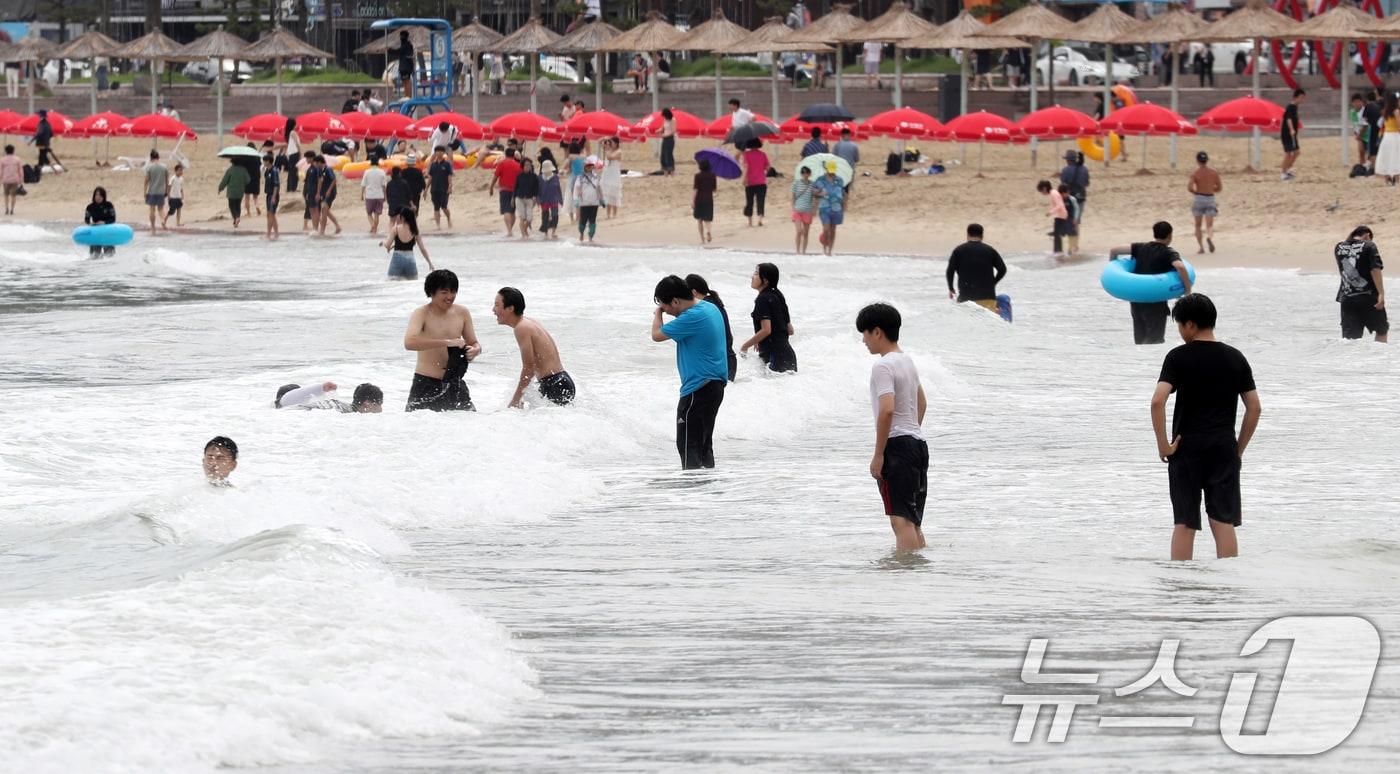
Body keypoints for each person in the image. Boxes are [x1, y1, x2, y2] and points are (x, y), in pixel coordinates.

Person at [1150, 293, 1261, 561]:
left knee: (1185, 522)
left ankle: (1182, 588)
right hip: (1223, 447)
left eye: (1179, 326)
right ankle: (1227, 587)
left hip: (1186, 447)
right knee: (1222, 521)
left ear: (1190, 324)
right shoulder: (1236, 357)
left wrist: (1164, 445)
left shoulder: (1178, 357)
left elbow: (1157, 401)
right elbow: (1254, 407)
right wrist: (1238, 449)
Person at [856, 302, 928, 552]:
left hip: (897, 446)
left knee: (900, 521)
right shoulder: (907, 361)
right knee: (912, 520)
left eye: (864, 334)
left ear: (877, 332)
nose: (864, 341)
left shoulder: (883, 365)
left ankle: (904, 581)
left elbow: (887, 410)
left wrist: (879, 454)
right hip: (917, 444)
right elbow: (921, 402)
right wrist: (911, 433)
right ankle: (919, 571)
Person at [650, 275, 729, 469]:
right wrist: (663, 308)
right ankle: (706, 490)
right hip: (715, 385)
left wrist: (657, 315)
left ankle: (691, 494)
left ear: (676, 301)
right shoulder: (710, 308)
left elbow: (656, 335)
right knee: (704, 445)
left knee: (687, 445)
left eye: (665, 306)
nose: (666, 311)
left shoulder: (691, 317)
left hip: (698, 388)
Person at [404, 269, 480, 412]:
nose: (450, 297)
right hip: (426, 382)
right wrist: (447, 342)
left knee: (470, 427)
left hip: (455, 382)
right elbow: (409, 342)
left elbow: (473, 342)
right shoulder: (421, 313)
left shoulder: (462, 312)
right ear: (432, 292)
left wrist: (475, 350)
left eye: (453, 292)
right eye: (444, 292)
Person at [1109, 221, 1193, 345]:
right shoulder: (1168, 252)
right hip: (1155, 303)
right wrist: (1188, 289)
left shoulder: (1140, 247)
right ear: (1170, 236)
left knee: (1140, 340)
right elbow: (1180, 266)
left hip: (1137, 301)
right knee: (1155, 341)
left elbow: (1114, 250)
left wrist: (1111, 270)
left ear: (1154, 234)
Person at [493, 287, 576, 408]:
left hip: (555, 384)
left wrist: (515, 400)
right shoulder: (528, 322)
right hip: (560, 381)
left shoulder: (521, 328)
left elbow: (528, 368)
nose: (493, 310)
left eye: (496, 305)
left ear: (510, 308)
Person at [740, 262, 797, 373]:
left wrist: (745, 346)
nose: (752, 276)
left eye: (756, 274)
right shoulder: (778, 296)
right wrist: (759, 339)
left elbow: (766, 330)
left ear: (765, 280)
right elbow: (790, 330)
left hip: (774, 356)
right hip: (788, 355)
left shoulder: (763, 299)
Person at [1334, 225, 1387, 342]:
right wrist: (1381, 294)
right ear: (1367, 235)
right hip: (1368, 297)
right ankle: (1380, 359)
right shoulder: (1369, 245)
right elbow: (1375, 269)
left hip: (1347, 299)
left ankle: (1354, 361)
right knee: (1381, 330)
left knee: (1350, 340)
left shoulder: (1339, 247)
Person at [686, 274, 737, 382]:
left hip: (721, 361)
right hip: (727, 359)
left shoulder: (705, 307)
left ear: (694, 292)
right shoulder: (712, 302)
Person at [946, 223, 1008, 311]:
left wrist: (951, 288)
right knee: (988, 322)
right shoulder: (989, 250)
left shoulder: (959, 250)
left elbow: (950, 270)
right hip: (987, 297)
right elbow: (1002, 269)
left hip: (966, 299)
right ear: (982, 235)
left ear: (967, 235)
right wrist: (993, 282)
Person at [383, 206, 434, 280]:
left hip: (397, 260)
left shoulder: (396, 229)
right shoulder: (415, 231)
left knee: (391, 283)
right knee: (411, 285)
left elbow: (387, 245)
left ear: (403, 217)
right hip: (410, 261)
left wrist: (383, 242)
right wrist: (430, 263)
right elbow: (423, 249)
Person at [1188, 151, 1221, 254]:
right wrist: (1211, 190)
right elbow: (1219, 188)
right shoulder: (1214, 173)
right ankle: (1209, 237)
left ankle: (1201, 248)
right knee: (1209, 225)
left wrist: (1196, 192)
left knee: (1198, 225)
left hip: (1199, 198)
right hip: (1210, 198)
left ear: (1198, 161)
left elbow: (1189, 187)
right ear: (1207, 160)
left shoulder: (1195, 174)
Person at [275, 382, 384, 413]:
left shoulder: (341, 406)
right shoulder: (346, 410)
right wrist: (321, 387)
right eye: (380, 404)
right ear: (368, 403)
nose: (381, 409)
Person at [813, 160, 846, 255]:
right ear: (826, 169)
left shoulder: (839, 180)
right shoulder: (820, 180)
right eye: (830, 170)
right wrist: (820, 192)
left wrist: (844, 206)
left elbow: (842, 194)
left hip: (837, 208)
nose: (832, 172)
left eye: (833, 170)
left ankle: (830, 250)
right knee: (826, 229)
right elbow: (813, 193)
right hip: (824, 208)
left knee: (833, 229)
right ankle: (824, 248)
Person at [490, 147, 522, 236]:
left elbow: (495, 177)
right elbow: (520, 179)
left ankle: (509, 231)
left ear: (506, 154)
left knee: (506, 211)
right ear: (513, 155)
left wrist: (491, 187)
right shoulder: (518, 165)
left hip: (504, 190)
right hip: (515, 191)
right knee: (512, 211)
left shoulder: (501, 164)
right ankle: (510, 230)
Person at [572, 156, 604, 242]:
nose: (589, 167)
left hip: (594, 202)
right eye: (588, 166)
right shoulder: (580, 178)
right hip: (584, 202)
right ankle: (581, 233)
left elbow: (599, 188)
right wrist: (576, 200)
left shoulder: (597, 177)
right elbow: (576, 189)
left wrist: (602, 199)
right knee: (583, 221)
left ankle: (590, 237)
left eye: (591, 166)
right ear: (584, 167)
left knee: (592, 221)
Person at [1373, 91, 1400, 186]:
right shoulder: (1396, 111)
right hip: (1395, 136)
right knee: (1396, 157)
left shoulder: (1385, 111)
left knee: (1387, 157)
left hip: (1386, 136)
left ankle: (1387, 179)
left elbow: (1381, 124)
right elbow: (1399, 125)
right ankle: (1396, 179)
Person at [1036, 179, 1068, 256]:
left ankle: (1058, 251)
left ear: (1044, 188)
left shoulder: (1053, 193)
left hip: (1061, 215)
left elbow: (1059, 205)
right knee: (1057, 233)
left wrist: (1050, 212)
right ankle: (1057, 251)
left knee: (1057, 234)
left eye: (1041, 191)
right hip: (1060, 215)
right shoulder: (1053, 193)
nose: (1042, 193)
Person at [741, 139, 768, 227]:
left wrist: (744, 179)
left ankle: (750, 222)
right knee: (761, 201)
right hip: (761, 182)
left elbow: (746, 167)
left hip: (750, 182)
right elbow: (767, 167)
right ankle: (760, 219)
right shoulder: (763, 154)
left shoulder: (746, 155)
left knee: (749, 202)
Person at [217, 157, 251, 228]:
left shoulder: (230, 170)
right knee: (238, 205)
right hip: (240, 191)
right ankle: (237, 217)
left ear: (232, 162)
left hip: (231, 192)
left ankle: (235, 218)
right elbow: (248, 180)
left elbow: (225, 180)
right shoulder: (243, 170)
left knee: (231, 205)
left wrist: (220, 188)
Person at [83, 187, 116, 257]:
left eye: (100, 195)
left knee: (110, 256)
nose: (98, 197)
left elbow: (113, 219)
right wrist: (90, 223)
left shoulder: (109, 205)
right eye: (96, 195)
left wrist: (104, 222)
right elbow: (86, 219)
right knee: (94, 256)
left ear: (103, 196)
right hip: (96, 232)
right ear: (94, 196)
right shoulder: (90, 207)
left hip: (107, 231)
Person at [790, 165, 816, 253]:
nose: (805, 174)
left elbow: (814, 197)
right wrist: (793, 207)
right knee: (799, 231)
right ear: (801, 174)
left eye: (807, 173)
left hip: (808, 210)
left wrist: (814, 209)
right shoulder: (796, 183)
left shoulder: (812, 184)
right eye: (803, 173)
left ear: (809, 174)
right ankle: (797, 251)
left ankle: (803, 251)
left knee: (806, 232)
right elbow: (792, 196)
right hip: (797, 210)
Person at [1280, 88, 1305, 182]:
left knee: (1296, 152)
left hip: (1292, 134)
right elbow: (1288, 119)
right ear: (1295, 97)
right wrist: (1291, 129)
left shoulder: (1295, 107)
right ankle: (1283, 173)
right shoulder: (1290, 107)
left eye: (1303, 98)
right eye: (1301, 98)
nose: (1302, 100)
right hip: (1287, 134)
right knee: (1289, 153)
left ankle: (1287, 170)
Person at [427, 146, 454, 229]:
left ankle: (448, 218)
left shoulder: (447, 164)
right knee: (436, 207)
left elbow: (449, 176)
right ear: (435, 153)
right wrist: (426, 188)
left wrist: (450, 187)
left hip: (444, 189)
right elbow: (430, 177)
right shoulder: (433, 165)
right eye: (437, 151)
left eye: (441, 151)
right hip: (434, 189)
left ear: (443, 153)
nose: (439, 153)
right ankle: (438, 226)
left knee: (444, 207)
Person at [313, 155, 341, 236]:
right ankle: (338, 227)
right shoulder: (319, 170)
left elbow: (334, 180)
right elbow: (320, 182)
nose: (315, 165)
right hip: (323, 193)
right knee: (326, 211)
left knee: (324, 210)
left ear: (319, 162)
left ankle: (322, 231)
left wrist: (329, 190)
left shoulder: (328, 169)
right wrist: (318, 193)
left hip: (330, 193)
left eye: (316, 163)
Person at [513, 157, 540, 239]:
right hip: (519, 198)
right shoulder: (519, 176)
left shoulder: (534, 176)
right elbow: (515, 188)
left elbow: (536, 188)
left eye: (529, 165)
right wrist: (512, 198)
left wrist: (535, 197)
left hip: (529, 199)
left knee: (529, 218)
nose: (528, 166)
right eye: (526, 165)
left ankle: (525, 229)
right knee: (522, 217)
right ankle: (524, 235)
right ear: (522, 166)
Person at [360, 156, 387, 234]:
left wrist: (361, 195)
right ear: (378, 162)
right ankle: (374, 229)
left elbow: (363, 184)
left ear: (371, 162)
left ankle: (373, 226)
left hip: (370, 195)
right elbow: (384, 185)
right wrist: (385, 196)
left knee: (369, 213)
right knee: (377, 214)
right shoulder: (382, 172)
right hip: (379, 195)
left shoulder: (367, 172)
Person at [143, 150, 168, 232]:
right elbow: (167, 180)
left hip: (152, 191)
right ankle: (163, 221)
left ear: (151, 158)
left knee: (152, 210)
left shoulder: (149, 167)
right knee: (161, 209)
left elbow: (146, 181)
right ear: (158, 157)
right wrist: (166, 191)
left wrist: (144, 192)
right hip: (161, 191)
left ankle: (153, 228)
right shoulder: (164, 167)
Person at [1059, 150, 1088, 221]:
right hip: (1081, 196)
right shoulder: (1084, 169)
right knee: (1076, 220)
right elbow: (1087, 183)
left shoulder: (1065, 170)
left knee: (1068, 219)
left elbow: (1063, 184)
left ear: (1067, 160)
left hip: (1069, 197)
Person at [692, 157, 716, 244]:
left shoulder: (697, 176)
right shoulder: (713, 175)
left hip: (699, 200)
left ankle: (702, 239)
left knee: (699, 220)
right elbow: (714, 189)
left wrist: (692, 201)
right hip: (709, 199)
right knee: (707, 219)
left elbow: (695, 189)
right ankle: (708, 231)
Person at [539, 159, 562, 239]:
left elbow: (558, 188)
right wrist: (538, 199)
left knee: (555, 215)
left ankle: (553, 232)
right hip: (544, 199)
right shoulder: (540, 178)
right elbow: (538, 189)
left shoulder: (555, 177)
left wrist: (560, 199)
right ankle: (545, 232)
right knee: (545, 216)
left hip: (554, 199)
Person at [388, 30, 415, 98]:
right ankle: (407, 96)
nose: (400, 38)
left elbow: (398, 51)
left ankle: (409, 96)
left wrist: (389, 50)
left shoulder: (407, 45)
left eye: (401, 36)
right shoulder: (405, 45)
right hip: (403, 67)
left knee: (407, 81)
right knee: (404, 81)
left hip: (406, 67)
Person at [601, 137, 623, 219]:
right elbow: (600, 141)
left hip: (614, 174)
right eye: (610, 142)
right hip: (607, 173)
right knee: (607, 193)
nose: (611, 144)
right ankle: (608, 214)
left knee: (614, 193)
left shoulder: (619, 151)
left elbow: (610, 157)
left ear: (616, 143)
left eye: (612, 142)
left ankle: (614, 214)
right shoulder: (608, 150)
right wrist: (605, 140)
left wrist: (606, 149)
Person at [239, 143, 262, 218]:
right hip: (256, 178)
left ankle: (249, 213)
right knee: (255, 197)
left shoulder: (245, 157)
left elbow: (241, 166)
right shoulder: (257, 156)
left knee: (247, 196)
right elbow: (260, 165)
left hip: (247, 179)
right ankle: (257, 206)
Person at [278, 118, 301, 192]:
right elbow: (297, 143)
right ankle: (293, 188)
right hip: (295, 153)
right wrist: (300, 152)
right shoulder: (293, 132)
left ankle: (290, 187)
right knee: (294, 171)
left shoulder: (288, 133)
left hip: (291, 153)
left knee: (291, 171)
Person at [300, 150, 321, 231]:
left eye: (307, 158)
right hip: (309, 191)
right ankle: (314, 228)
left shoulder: (316, 168)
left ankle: (316, 228)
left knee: (315, 210)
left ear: (312, 158)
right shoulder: (310, 168)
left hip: (314, 192)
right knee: (311, 210)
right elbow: (307, 181)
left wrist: (318, 193)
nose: (306, 160)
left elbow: (320, 180)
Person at [261, 153, 280, 240]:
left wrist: (274, 196)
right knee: (270, 214)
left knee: (271, 214)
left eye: (264, 161)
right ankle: (276, 234)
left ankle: (268, 234)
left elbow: (276, 185)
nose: (263, 162)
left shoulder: (274, 171)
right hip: (268, 194)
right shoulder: (267, 171)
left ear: (268, 161)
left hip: (273, 195)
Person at [1364, 89, 1383, 170]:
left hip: (1373, 128)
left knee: (1372, 149)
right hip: (1382, 129)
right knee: (1378, 147)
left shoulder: (1369, 106)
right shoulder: (1380, 104)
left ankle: (1374, 167)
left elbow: (1365, 119)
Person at [0, 144, 21, 215]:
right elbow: (20, 170)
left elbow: (1, 171)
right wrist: (21, 179)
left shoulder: (2, 159)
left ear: (6, 151)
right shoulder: (17, 159)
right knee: (13, 195)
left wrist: (0, 178)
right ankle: (12, 210)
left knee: (6, 195)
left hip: (5, 180)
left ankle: (6, 209)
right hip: (15, 179)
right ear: (13, 151)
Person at [163, 163, 186, 229]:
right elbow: (169, 187)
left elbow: (181, 188)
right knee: (172, 211)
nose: (181, 172)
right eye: (179, 170)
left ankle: (178, 222)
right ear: (175, 171)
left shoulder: (181, 179)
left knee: (179, 209)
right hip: (172, 197)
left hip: (178, 197)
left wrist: (182, 195)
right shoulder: (172, 178)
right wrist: (168, 196)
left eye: (181, 170)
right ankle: (164, 221)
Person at [659, 108, 677, 175]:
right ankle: (665, 169)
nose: (664, 117)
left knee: (669, 154)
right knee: (663, 154)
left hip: (670, 138)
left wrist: (665, 135)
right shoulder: (665, 120)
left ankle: (671, 169)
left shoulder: (673, 120)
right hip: (665, 138)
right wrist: (659, 130)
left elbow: (673, 131)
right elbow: (663, 127)